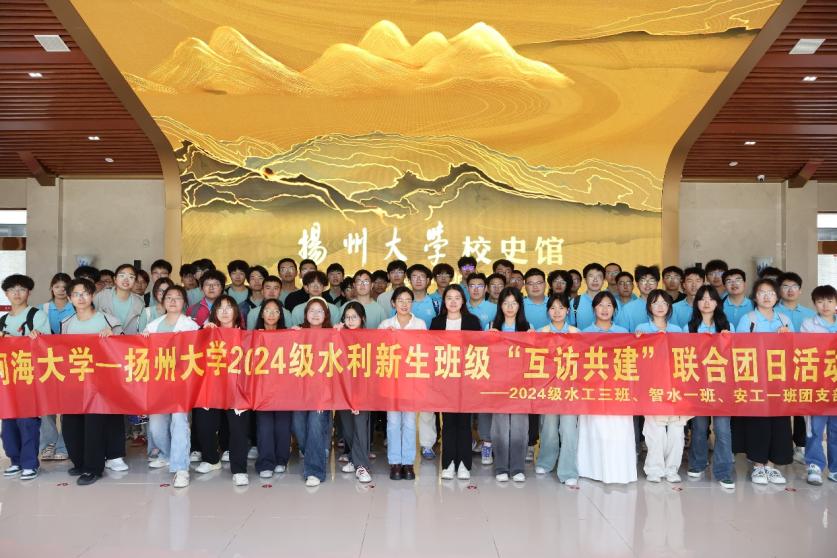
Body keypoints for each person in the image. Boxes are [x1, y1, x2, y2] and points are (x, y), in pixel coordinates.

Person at [61, 278, 126, 485]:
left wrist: (113, 336)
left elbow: (124, 350)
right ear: (69, 298)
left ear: (92, 296)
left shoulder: (109, 320)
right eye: (76, 294)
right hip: (75, 381)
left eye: (85, 293)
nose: (81, 298)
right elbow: (59, 350)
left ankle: (93, 468)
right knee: (71, 424)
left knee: (94, 425)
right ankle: (79, 462)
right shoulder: (66, 322)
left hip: (101, 384)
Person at [735, 278, 793, 485]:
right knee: (758, 421)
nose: (767, 296)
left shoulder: (784, 319)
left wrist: (787, 337)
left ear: (777, 296)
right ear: (755, 296)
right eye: (762, 292)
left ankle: (771, 466)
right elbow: (739, 348)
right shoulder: (748, 319)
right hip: (756, 380)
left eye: (771, 293)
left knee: (779, 421)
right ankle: (758, 465)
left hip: (779, 379)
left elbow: (795, 349)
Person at [577, 291, 636, 484]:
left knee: (618, 432)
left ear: (615, 309)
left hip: (618, 390)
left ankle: (619, 471)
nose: (604, 309)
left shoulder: (623, 333)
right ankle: (592, 470)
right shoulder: (585, 333)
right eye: (600, 305)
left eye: (609, 305)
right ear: (594, 308)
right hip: (593, 390)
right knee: (596, 430)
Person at [142, 285, 198, 488]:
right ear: (163, 301)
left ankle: (181, 468)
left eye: (178, 297)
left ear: (184, 302)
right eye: (169, 297)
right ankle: (166, 455)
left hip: (181, 383)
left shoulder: (191, 326)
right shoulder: (152, 326)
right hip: (158, 383)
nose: (173, 301)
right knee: (156, 427)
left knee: (179, 423)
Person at [0, 274, 51, 481]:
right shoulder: (3, 320)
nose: (17, 293)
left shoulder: (36, 316)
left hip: (29, 377)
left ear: (28, 292)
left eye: (21, 289)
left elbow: (45, 345)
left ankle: (29, 463)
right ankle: (15, 461)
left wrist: (16, 340)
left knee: (27, 421)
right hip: (7, 380)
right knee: (8, 422)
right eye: (12, 290)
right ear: (6, 294)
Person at [635, 290, 690, 483]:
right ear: (649, 306)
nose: (660, 306)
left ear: (669, 307)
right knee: (655, 430)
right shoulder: (642, 328)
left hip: (675, 387)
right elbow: (636, 358)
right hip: (652, 386)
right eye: (655, 302)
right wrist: (639, 339)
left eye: (664, 303)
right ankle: (654, 469)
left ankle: (672, 469)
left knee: (676, 430)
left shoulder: (677, 330)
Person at [686, 285, 735, 490]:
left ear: (717, 303)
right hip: (698, 385)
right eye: (702, 299)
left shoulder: (727, 326)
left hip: (722, 386)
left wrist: (727, 340)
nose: (706, 303)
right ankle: (698, 463)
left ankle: (723, 471)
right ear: (697, 303)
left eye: (711, 299)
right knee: (699, 428)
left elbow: (735, 356)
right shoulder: (689, 327)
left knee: (722, 429)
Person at [431, 285, 481, 480]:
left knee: (464, 423)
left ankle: (464, 464)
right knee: (448, 422)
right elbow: (430, 349)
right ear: (444, 301)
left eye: (457, 298)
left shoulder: (472, 321)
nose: (453, 301)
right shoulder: (437, 322)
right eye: (449, 298)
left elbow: (479, 348)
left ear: (463, 301)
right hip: (444, 379)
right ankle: (448, 463)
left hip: (466, 379)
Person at [201, 295, 252, 486]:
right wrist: (203, 332)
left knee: (238, 430)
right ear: (214, 312)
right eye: (219, 307)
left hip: (238, 390)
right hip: (212, 388)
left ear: (236, 312)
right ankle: (211, 460)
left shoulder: (246, 336)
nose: (224, 311)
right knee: (205, 425)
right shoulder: (206, 333)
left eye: (229, 307)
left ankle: (239, 469)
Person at [379, 287, 426, 480]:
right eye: (400, 300)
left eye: (408, 300)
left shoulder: (420, 324)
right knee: (392, 422)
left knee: (409, 422)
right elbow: (377, 351)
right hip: (391, 381)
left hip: (412, 381)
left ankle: (408, 463)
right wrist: (386, 337)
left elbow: (425, 351)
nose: (404, 304)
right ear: (393, 303)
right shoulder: (385, 324)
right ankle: (395, 462)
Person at [535, 292, 580, 485]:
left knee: (569, 430)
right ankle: (545, 462)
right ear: (548, 311)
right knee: (549, 428)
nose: (557, 312)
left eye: (561, 308)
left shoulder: (576, 333)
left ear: (567, 311)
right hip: (548, 388)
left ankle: (568, 472)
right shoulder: (541, 332)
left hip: (570, 390)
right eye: (553, 308)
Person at [488, 287, 532, 482]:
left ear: (519, 306)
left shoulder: (527, 327)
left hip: (521, 384)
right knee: (500, 426)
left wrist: (533, 339)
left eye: (514, 303)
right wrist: (488, 339)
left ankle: (517, 467)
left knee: (520, 426)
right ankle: (501, 467)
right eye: (505, 303)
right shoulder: (491, 326)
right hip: (498, 384)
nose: (509, 307)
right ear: (500, 306)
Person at [291, 297, 334, 486]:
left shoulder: (332, 334)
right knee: (298, 426)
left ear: (326, 315)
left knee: (316, 425)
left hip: (322, 391)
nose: (315, 314)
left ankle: (314, 471)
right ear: (305, 314)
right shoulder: (297, 332)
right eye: (312, 310)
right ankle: (314, 451)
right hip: (299, 390)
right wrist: (290, 336)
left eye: (320, 311)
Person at [775, 271, 815, 463]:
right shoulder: (773, 312)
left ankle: (800, 445)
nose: (790, 290)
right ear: (779, 290)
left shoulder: (810, 314)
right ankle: (782, 445)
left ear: (800, 290)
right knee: (780, 404)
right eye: (785, 286)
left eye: (794, 287)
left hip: (803, 363)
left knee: (801, 403)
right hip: (779, 365)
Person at [252, 299, 293, 480]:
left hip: (284, 388)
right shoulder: (253, 336)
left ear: (280, 315)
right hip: (262, 389)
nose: (271, 314)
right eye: (267, 310)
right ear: (261, 314)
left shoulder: (288, 335)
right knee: (265, 426)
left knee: (283, 426)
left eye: (276, 311)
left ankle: (281, 460)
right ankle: (266, 462)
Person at [800, 285, 837, 485]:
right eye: (821, 301)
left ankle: (835, 468)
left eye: (830, 301)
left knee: (835, 428)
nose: (825, 305)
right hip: (817, 384)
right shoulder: (808, 324)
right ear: (814, 304)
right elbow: (806, 351)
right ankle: (814, 464)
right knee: (815, 427)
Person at [335, 302, 373, 483]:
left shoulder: (369, 338)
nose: (350, 320)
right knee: (348, 429)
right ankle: (353, 458)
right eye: (347, 317)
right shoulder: (339, 335)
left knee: (360, 429)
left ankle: (362, 466)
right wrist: (335, 333)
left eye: (354, 317)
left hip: (362, 391)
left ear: (362, 318)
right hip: (343, 390)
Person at [38, 272, 74, 461]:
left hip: (71, 361)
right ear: (51, 288)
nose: (61, 290)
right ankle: (49, 443)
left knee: (68, 404)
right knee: (47, 404)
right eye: (57, 286)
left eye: (64, 286)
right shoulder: (41, 309)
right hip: (47, 362)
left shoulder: (76, 307)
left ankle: (64, 443)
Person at [466, 272, 497, 463]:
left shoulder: (494, 309)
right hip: (466, 363)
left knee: (485, 404)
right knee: (467, 405)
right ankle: (468, 440)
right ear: (467, 288)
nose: (476, 289)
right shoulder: (461, 306)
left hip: (489, 363)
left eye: (480, 286)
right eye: (472, 286)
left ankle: (487, 442)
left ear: (485, 289)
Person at [93, 263, 145, 334]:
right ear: (115, 279)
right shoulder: (101, 296)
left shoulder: (139, 302)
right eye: (122, 276)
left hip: (130, 340)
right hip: (105, 339)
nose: (126, 279)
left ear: (134, 281)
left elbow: (142, 327)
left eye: (131, 277)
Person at [615, 265, 659, 332]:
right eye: (643, 280)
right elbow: (621, 335)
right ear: (637, 284)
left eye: (651, 281)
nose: (647, 284)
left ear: (657, 283)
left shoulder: (665, 307)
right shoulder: (627, 309)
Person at [569, 263, 605, 330]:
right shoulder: (575, 302)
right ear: (585, 280)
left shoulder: (612, 302)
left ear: (603, 280)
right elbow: (571, 328)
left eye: (599, 276)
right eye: (591, 276)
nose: (595, 280)